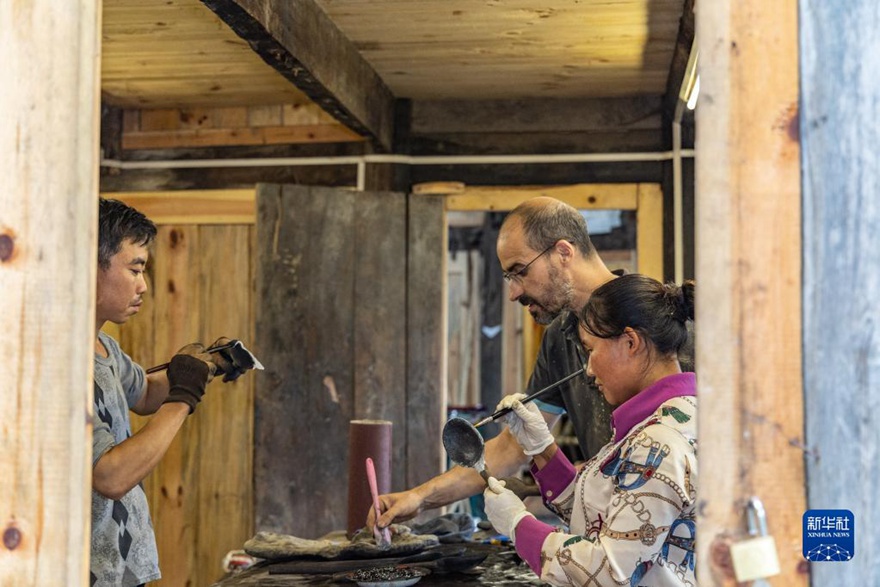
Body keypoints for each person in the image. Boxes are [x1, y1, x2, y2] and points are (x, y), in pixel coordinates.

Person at [370, 196, 619, 531]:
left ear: (563, 253)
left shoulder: (659, 323)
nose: (513, 293)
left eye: (520, 272)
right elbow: (513, 447)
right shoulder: (561, 335)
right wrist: (420, 497)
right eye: (508, 278)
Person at [483, 274, 697, 586]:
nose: (589, 369)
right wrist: (542, 449)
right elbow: (614, 517)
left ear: (630, 342)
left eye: (590, 349)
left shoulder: (658, 441)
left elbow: (609, 573)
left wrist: (520, 526)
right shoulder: (668, 419)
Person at [90, 198, 248, 587]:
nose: (144, 285)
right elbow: (110, 476)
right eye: (135, 269)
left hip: (120, 566)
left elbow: (144, 394)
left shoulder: (103, 348)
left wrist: (203, 366)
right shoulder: (57, 363)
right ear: (90, 268)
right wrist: (183, 398)